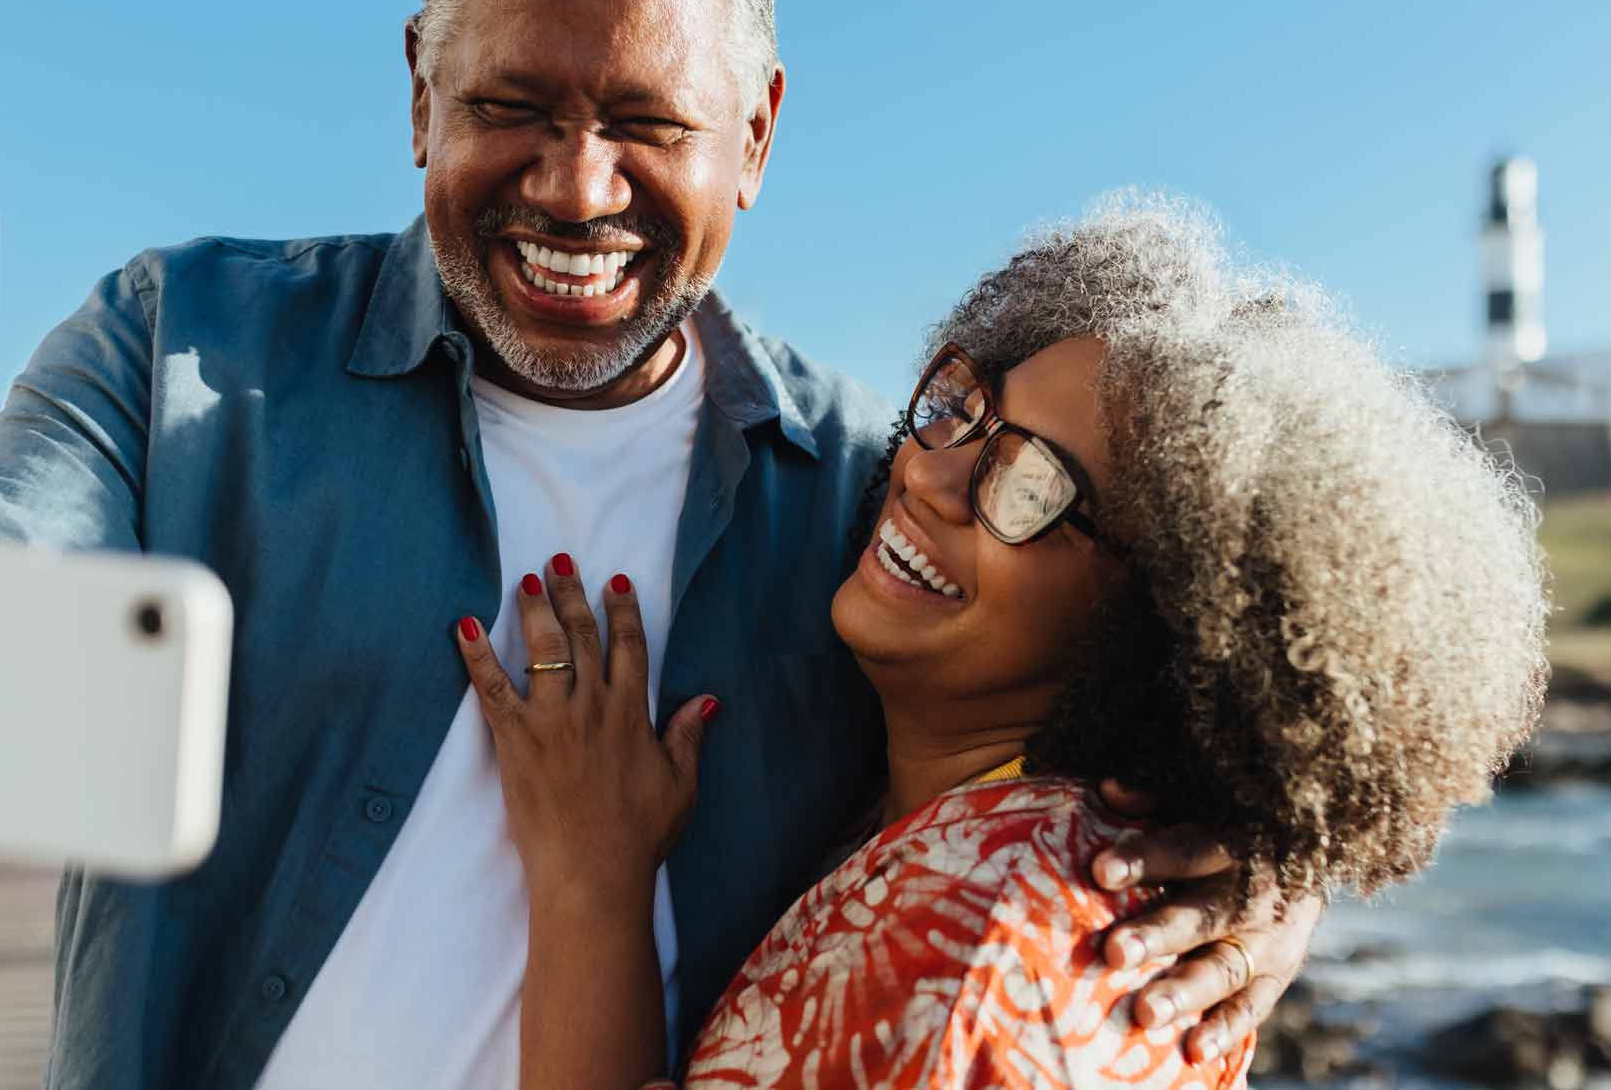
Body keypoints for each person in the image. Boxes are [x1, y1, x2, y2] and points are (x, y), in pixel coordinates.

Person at [0, 0, 1315, 1086]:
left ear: (757, 133)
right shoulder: (178, 350)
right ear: (419, 89)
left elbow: (1126, 683)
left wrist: (1270, 866)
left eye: (649, 124)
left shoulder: (866, 498)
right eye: (510, 103)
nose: (576, 187)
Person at [457, 201, 1550, 1088]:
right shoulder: (979, 833)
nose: (929, 473)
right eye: (966, 409)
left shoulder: (969, 956)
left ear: (1171, 624)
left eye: (1030, 485)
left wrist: (590, 879)